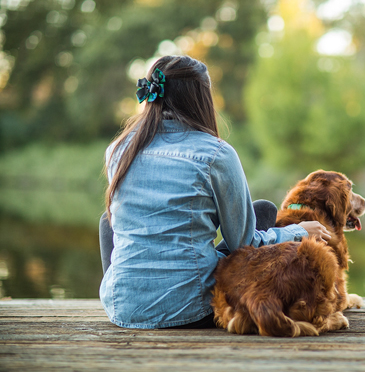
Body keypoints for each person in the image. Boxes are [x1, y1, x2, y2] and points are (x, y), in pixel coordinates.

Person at [99, 55, 331, 329]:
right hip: (189, 308)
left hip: (120, 307)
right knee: (265, 211)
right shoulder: (215, 154)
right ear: (201, 99)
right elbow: (244, 245)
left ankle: (132, 291)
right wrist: (299, 231)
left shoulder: (118, 150)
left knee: (107, 223)